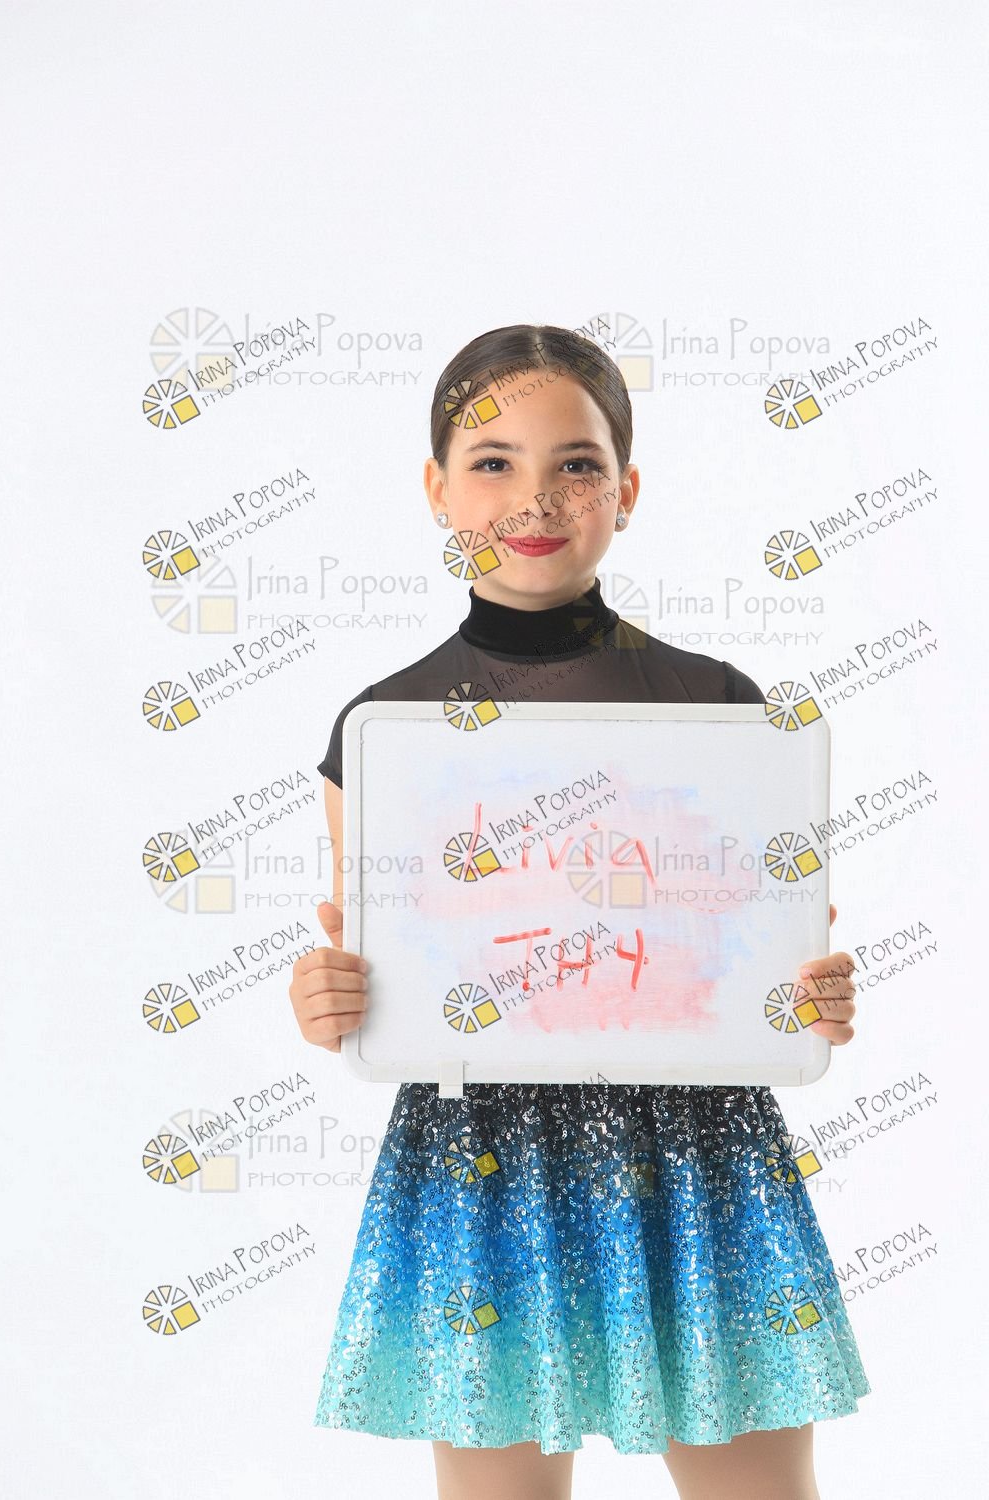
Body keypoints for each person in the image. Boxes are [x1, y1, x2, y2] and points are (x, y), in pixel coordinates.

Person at [288, 324, 869, 1500]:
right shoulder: (384, 728)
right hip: (480, 1154)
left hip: (697, 1148)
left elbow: (762, 949)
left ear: (626, 491)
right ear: (436, 489)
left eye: (577, 464)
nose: (536, 497)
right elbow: (381, 961)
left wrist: (805, 994)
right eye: (492, 461)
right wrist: (327, 1000)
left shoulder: (719, 705)